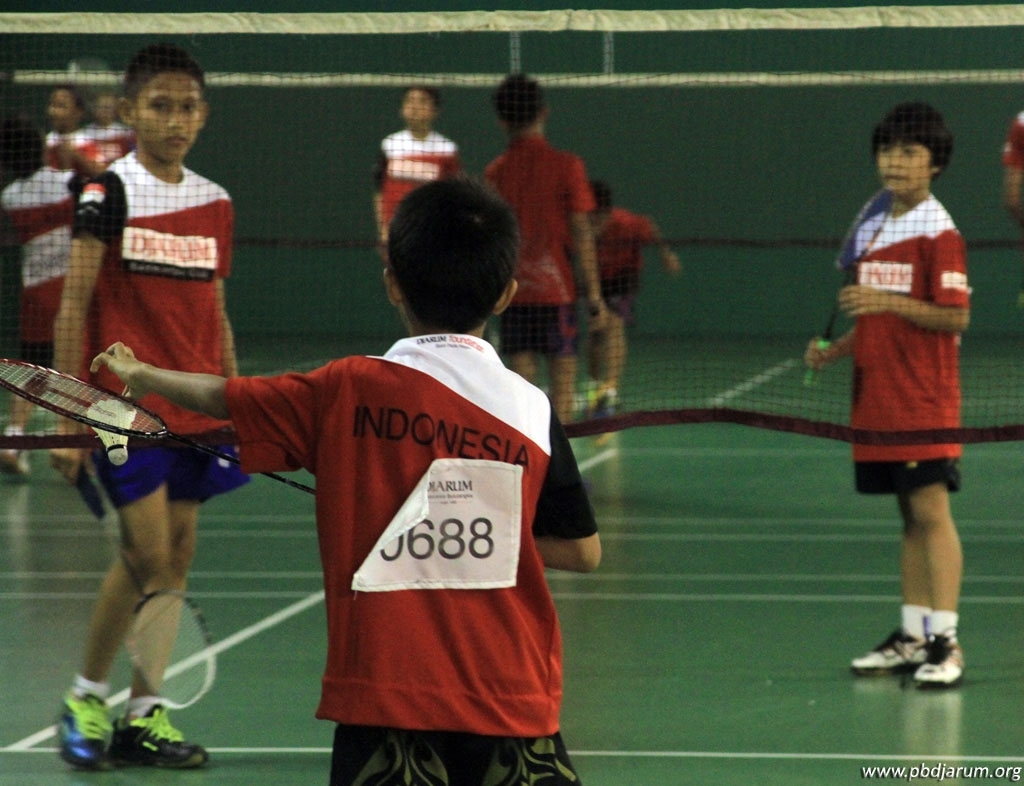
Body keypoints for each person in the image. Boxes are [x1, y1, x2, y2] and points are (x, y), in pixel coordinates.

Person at [92, 175, 602, 786]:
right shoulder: (531, 410)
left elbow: (224, 396)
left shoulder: (345, 388)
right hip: (512, 698)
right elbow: (582, 552)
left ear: (392, 283)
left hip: (385, 701)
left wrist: (144, 374)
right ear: (506, 295)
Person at [49, 43, 249, 770]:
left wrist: (239, 397)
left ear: (204, 114)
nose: (176, 120)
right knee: (145, 554)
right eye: (160, 106)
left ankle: (144, 712)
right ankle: (84, 697)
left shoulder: (216, 201)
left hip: (197, 408)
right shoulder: (106, 193)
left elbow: (216, 312)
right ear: (130, 111)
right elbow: (73, 306)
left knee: (178, 555)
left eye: (188, 107)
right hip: (122, 412)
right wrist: (66, 420)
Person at [804, 102, 969, 689]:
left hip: (923, 402)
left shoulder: (939, 232)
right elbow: (879, 321)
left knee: (931, 513)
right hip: (877, 401)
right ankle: (914, 634)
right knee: (908, 518)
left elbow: (955, 317)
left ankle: (946, 641)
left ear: (935, 163)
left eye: (910, 152)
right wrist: (836, 350)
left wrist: (882, 301)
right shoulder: (875, 230)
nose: (895, 162)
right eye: (887, 150)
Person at [485, 73, 607, 423]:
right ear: (544, 112)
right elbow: (582, 233)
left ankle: (527, 455)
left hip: (513, 295)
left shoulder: (495, 172)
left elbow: (492, 239)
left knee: (521, 390)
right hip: (557, 294)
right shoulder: (568, 166)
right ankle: (560, 457)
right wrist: (595, 297)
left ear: (502, 120)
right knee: (563, 389)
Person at [0, 116, 76, 475]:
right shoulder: (67, 182)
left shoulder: (10, 197)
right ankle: (73, 443)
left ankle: (14, 438)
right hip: (71, 290)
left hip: (34, 292)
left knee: (33, 368)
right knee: (79, 368)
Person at [584, 180, 681, 417]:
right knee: (595, 335)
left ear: (607, 213)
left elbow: (651, 228)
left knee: (614, 325)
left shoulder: (628, 223)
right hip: (595, 278)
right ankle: (595, 386)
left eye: (597, 218)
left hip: (623, 276)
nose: (594, 224)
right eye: (590, 218)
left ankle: (611, 390)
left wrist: (666, 254)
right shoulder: (579, 226)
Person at [372, 85, 461, 249]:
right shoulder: (390, 145)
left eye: (422, 102)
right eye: (409, 101)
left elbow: (455, 195)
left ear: (435, 110)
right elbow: (379, 191)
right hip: (398, 233)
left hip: (433, 234)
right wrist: (383, 229)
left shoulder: (446, 149)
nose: (414, 107)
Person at [45, 84, 106, 180]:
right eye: (52, 105)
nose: (53, 111)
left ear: (78, 112)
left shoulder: (86, 142)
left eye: (61, 106)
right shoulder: (46, 142)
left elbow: (103, 174)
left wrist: (76, 155)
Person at [83, 90, 136, 166]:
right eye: (101, 107)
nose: (105, 111)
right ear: (94, 109)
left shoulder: (126, 133)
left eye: (109, 107)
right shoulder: (84, 134)